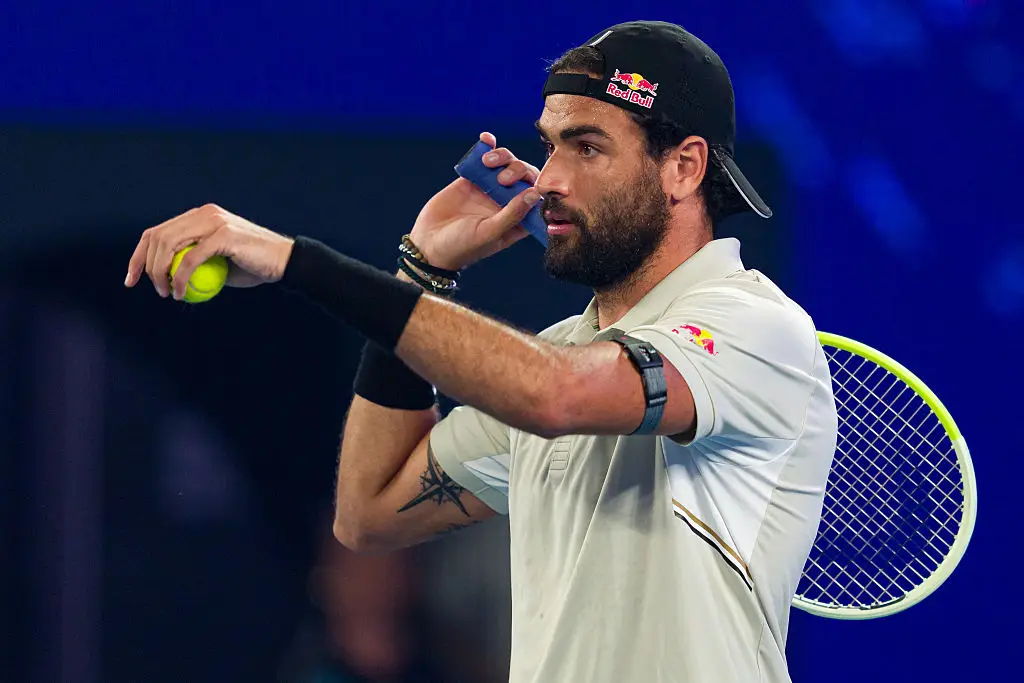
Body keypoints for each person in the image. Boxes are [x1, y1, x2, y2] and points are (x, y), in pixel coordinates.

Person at [126, 20, 838, 683]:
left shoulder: (754, 329)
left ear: (683, 168)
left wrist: (296, 261)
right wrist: (421, 273)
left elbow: (556, 395)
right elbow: (368, 513)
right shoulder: (558, 354)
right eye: (551, 143)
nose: (550, 178)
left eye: (587, 147)